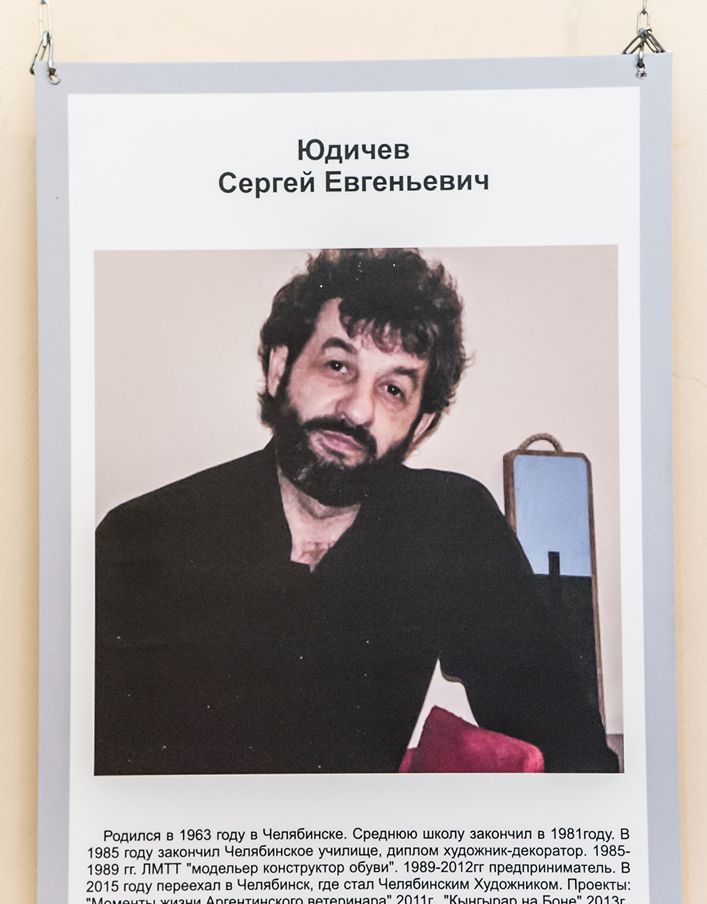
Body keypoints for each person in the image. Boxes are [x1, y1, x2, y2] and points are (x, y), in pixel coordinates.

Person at [94, 248, 619, 775]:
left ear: (420, 425)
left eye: (393, 389)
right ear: (280, 368)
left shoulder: (447, 524)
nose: (357, 409)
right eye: (338, 366)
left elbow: (565, 742)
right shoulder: (143, 538)